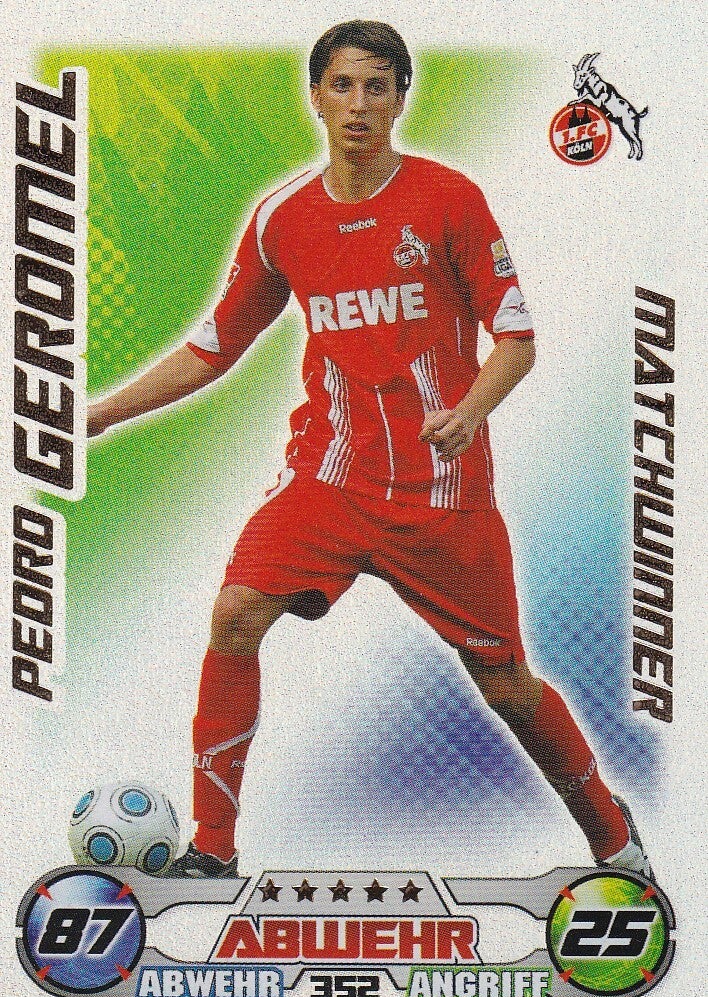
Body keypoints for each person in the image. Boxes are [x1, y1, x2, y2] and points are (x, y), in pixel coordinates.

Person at [88, 20, 653, 880]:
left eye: (377, 87)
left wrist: (468, 410)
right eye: (343, 86)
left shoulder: (449, 200)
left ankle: (614, 838)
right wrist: (102, 413)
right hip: (331, 476)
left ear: (400, 99)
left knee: (506, 684)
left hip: (442, 492)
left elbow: (516, 339)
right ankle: (212, 849)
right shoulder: (282, 219)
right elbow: (213, 346)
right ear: (315, 97)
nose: (359, 105)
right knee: (236, 614)